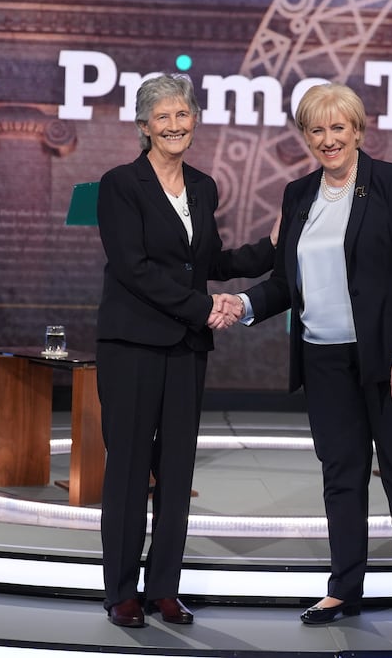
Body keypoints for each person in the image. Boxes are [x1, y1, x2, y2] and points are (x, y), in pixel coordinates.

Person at [228, 82, 392, 632]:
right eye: (316, 130)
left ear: (357, 130)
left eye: (338, 128)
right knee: (342, 477)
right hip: (323, 360)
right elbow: (286, 280)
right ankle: (343, 590)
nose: (328, 140)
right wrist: (246, 304)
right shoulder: (298, 193)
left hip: (386, 363)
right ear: (305, 136)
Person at [94, 73, 276, 628]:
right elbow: (135, 268)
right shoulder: (121, 184)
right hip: (131, 344)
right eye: (162, 117)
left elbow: (209, 262)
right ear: (144, 127)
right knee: (128, 471)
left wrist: (270, 249)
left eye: (183, 114)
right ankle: (122, 590)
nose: (174, 125)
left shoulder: (203, 185)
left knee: (176, 470)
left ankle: (164, 589)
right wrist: (207, 309)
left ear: (194, 120)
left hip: (186, 348)